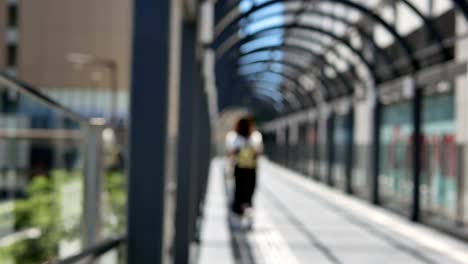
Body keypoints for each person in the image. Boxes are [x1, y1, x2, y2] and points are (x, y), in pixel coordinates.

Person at [225, 116, 263, 226]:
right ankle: (247, 207)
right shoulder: (256, 137)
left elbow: (229, 153)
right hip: (251, 168)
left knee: (239, 189)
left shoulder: (233, 137)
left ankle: (240, 211)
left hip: (239, 167)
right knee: (249, 190)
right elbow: (258, 152)